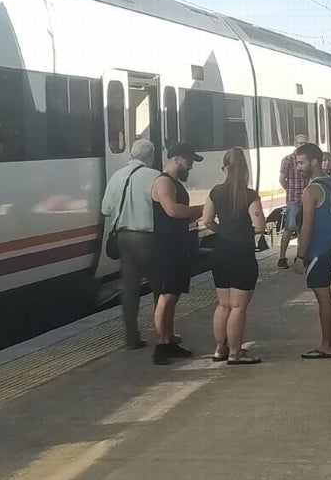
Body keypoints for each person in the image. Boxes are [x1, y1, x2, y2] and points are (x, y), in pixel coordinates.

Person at [201, 147, 266, 365]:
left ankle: (220, 349)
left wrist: (223, 230)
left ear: (225, 168)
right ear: (245, 169)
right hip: (242, 253)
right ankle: (235, 353)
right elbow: (259, 226)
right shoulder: (249, 195)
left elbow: (207, 220)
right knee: (238, 307)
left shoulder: (215, 192)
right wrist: (243, 231)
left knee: (223, 304)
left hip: (220, 251)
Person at [149, 143, 206, 365]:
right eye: (188, 161)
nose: (190, 166)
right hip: (166, 247)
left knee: (173, 295)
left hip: (177, 245)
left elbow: (182, 216)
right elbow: (172, 210)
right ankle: (162, 344)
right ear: (175, 160)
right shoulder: (163, 182)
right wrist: (203, 209)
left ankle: (170, 338)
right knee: (166, 296)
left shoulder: (174, 183)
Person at [100, 139, 159, 349]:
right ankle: (164, 335)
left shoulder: (117, 176)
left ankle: (131, 338)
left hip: (123, 238)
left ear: (131, 155)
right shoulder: (155, 177)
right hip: (148, 238)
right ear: (150, 156)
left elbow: (105, 209)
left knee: (130, 289)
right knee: (160, 287)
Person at [294, 143, 331, 358]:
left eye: (301, 162)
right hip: (328, 246)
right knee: (326, 295)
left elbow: (306, 227)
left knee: (323, 296)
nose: (299, 167)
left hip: (317, 250)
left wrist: (300, 256)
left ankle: (327, 345)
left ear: (313, 161)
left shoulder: (311, 191)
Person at [277, 134, 309, 269]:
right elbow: (281, 179)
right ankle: (282, 258)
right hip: (293, 198)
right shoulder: (288, 159)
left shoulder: (307, 159)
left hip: (305, 199)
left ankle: (299, 256)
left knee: (302, 229)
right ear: (295, 144)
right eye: (300, 143)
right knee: (289, 228)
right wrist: (289, 191)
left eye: (304, 143)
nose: (302, 145)